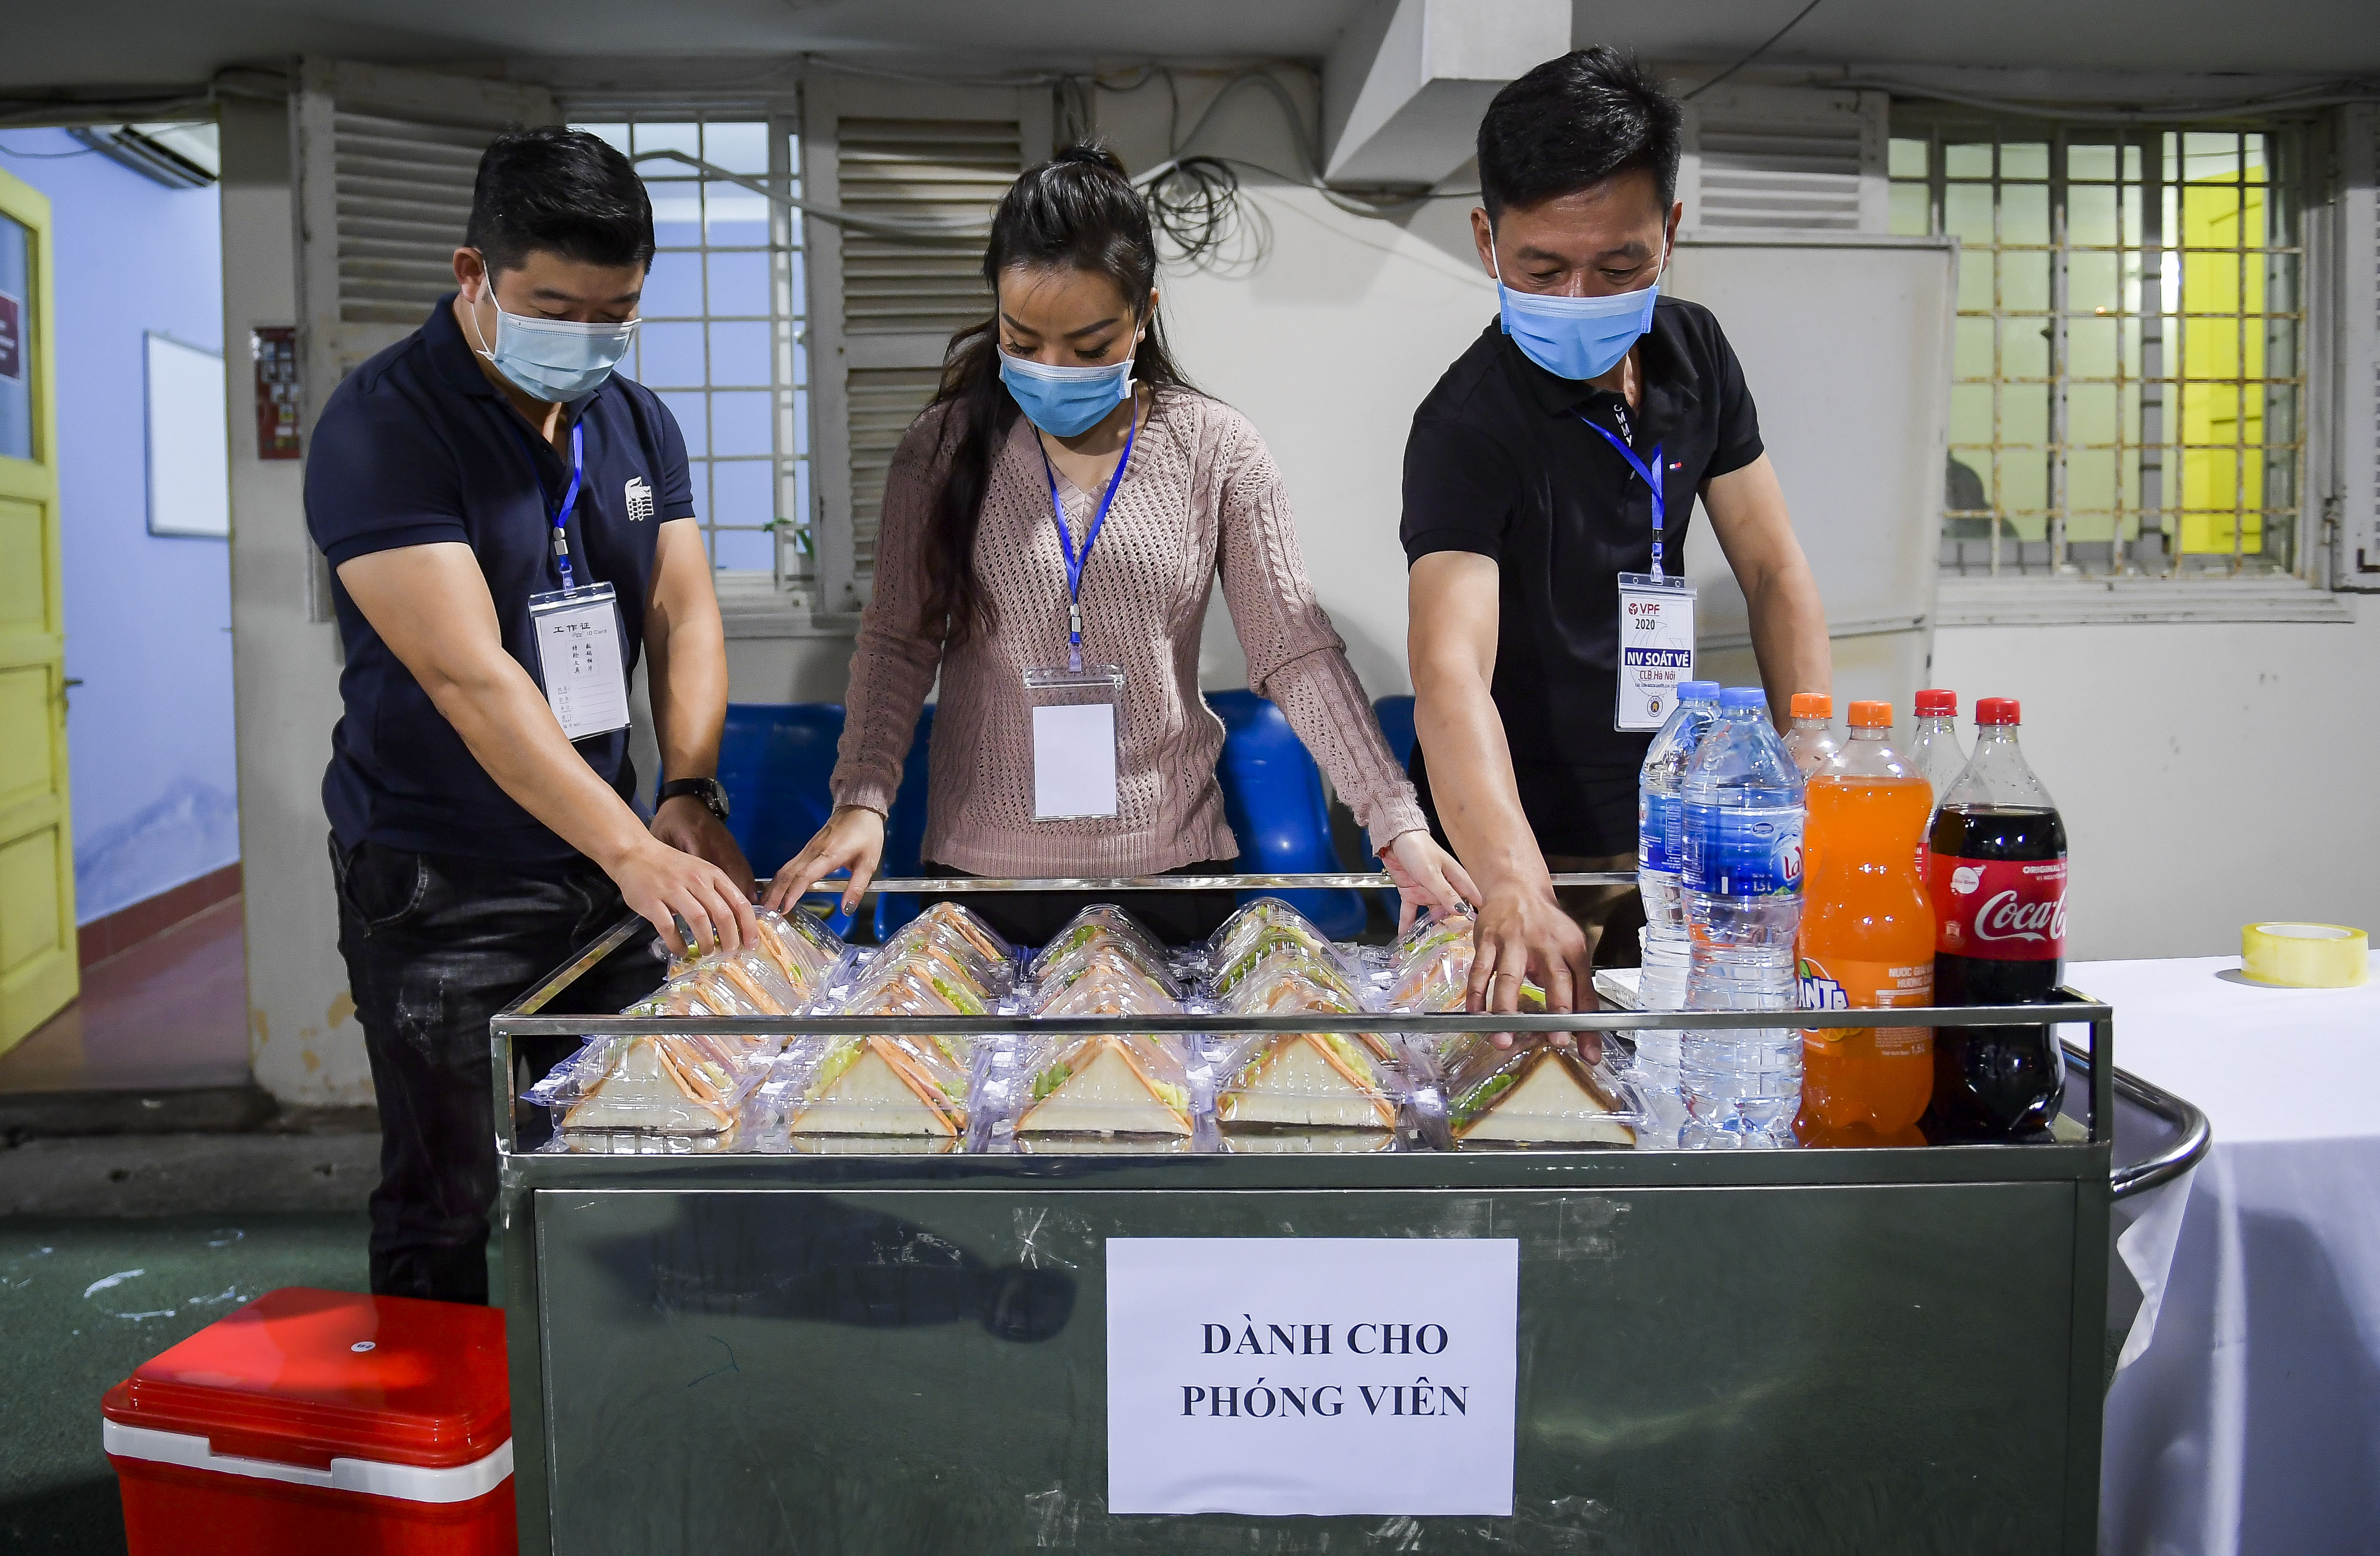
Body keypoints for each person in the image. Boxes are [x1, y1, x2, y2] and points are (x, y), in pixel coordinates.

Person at [766, 146, 1471, 946]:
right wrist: (862, 797)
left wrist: (1392, 817)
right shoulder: (941, 449)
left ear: (1142, 315)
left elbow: (1294, 647)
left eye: (1091, 345)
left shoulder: (1215, 448)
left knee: (1164, 1076)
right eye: (1022, 341)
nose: (1053, 369)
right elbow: (898, 642)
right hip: (981, 870)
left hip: (1166, 867)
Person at [305, 127, 758, 1304]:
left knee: (608, 1159)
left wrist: (687, 790)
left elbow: (683, 608)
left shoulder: (635, 419)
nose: (588, 338)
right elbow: (472, 680)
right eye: (555, 307)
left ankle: (589, 1426)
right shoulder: (383, 426)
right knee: (450, 1194)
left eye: (616, 311)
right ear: (475, 277)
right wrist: (626, 843)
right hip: (446, 880)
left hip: (602, 869)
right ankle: (438, 1472)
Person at [1402, 49, 1831, 1019]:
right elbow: (1447, 669)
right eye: (1541, 269)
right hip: (1519, 846)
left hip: (1673, 837)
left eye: (1620, 264)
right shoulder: (1466, 425)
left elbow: (1769, 567)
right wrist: (1509, 874)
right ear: (1485, 241)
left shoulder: (1695, 353)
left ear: (1669, 231)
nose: (1581, 299)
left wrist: (1808, 747)